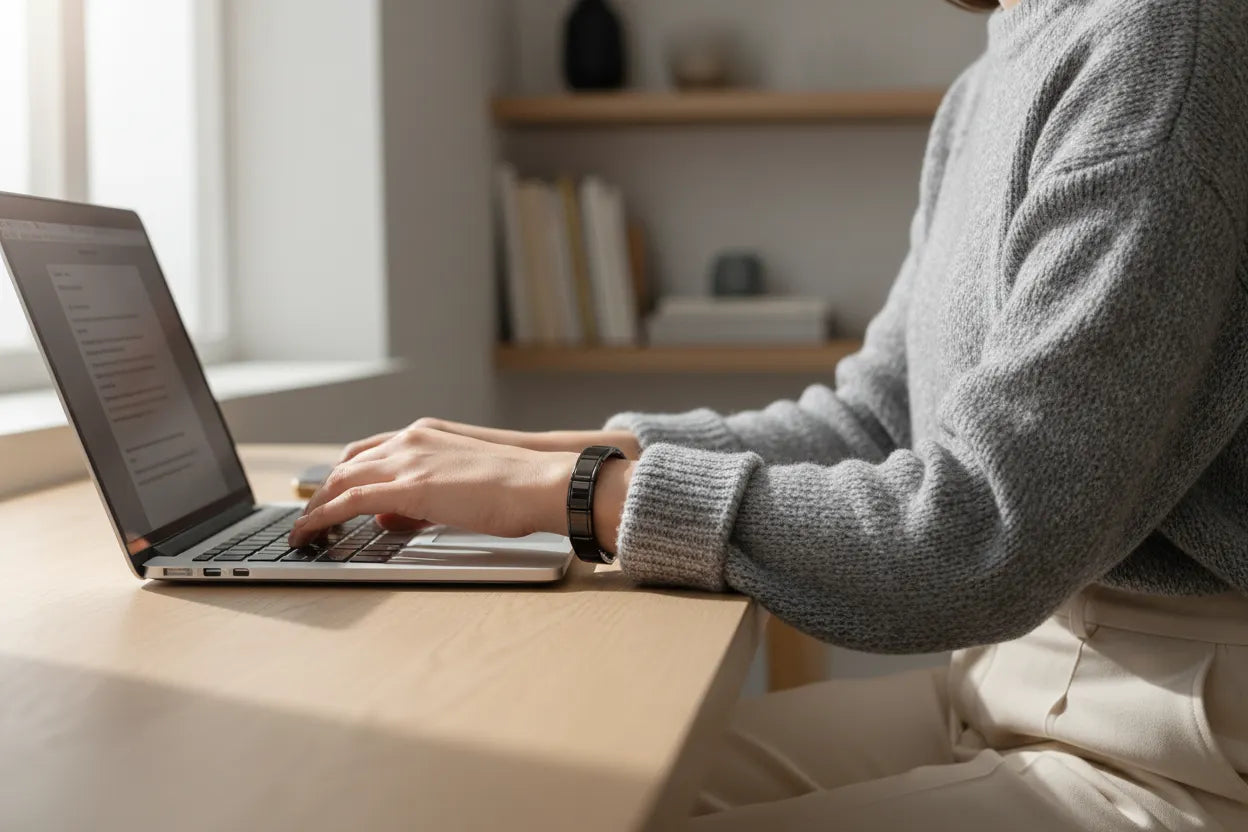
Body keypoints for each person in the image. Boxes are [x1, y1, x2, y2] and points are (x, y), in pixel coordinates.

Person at [291, 0, 1248, 827]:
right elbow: (878, 418)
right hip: (1005, 680)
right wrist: (552, 459)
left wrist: (588, 494)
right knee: (530, 797)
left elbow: (978, 536)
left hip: (1172, 754)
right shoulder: (999, 70)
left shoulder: (1165, 46)